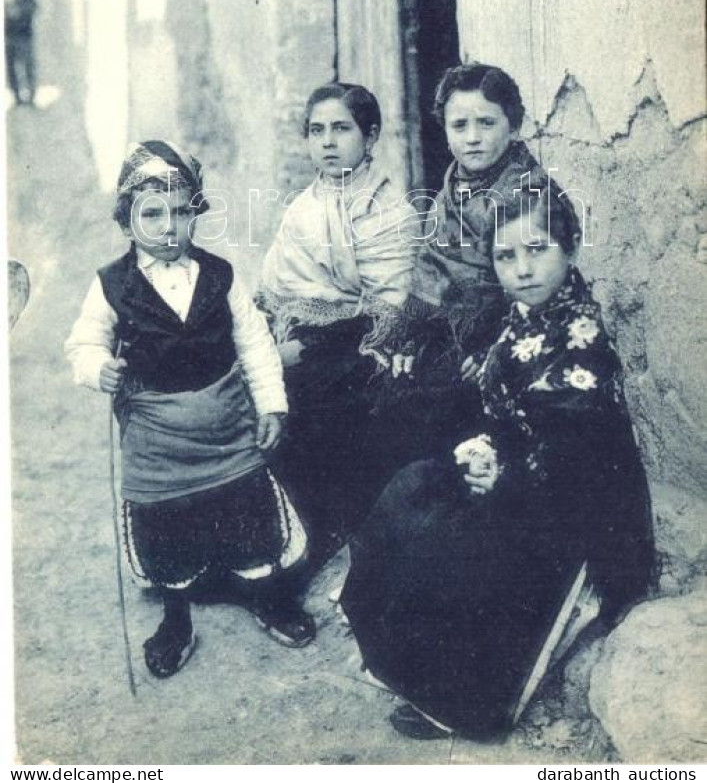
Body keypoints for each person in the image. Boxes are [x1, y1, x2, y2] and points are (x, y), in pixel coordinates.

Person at [341, 178, 655, 740]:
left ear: (571, 248)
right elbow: (503, 414)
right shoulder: (520, 322)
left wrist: (500, 475)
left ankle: (464, 700)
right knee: (412, 491)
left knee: (470, 555)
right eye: (505, 256)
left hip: (581, 514)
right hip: (526, 476)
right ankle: (404, 657)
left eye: (537, 250)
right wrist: (482, 448)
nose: (522, 269)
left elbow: (574, 456)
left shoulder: (582, 336)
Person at [65, 140, 314, 679]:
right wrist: (96, 367)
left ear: (196, 213)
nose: (168, 226)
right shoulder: (111, 285)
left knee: (249, 520)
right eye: (152, 213)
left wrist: (272, 404)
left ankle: (266, 595)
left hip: (229, 434)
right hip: (157, 444)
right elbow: (82, 343)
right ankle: (175, 618)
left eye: (181, 211)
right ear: (127, 222)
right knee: (168, 534)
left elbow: (254, 344)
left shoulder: (221, 276)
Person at [256, 82, 418, 562]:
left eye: (341, 129)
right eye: (316, 130)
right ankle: (271, 530)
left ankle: (323, 532)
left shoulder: (391, 211)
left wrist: (306, 348)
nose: (327, 142)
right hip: (299, 334)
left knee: (307, 386)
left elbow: (389, 304)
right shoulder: (302, 210)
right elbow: (275, 290)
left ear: (370, 137)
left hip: (368, 341)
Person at [365, 62, 542, 485]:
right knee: (379, 383)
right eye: (459, 124)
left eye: (486, 123)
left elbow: (529, 292)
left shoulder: (526, 194)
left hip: (502, 337)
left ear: (514, 127)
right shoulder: (452, 189)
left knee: (424, 411)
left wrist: (488, 353)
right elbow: (430, 268)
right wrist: (408, 336)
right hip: (447, 331)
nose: (472, 137)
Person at [4, 0, 37, 106]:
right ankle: (16, 97)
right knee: (10, 67)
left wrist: (19, 12)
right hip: (7, 36)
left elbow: (34, 6)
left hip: (23, 34)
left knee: (27, 64)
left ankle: (31, 96)